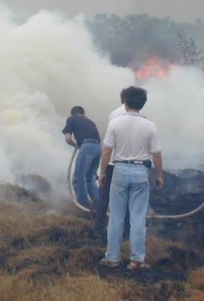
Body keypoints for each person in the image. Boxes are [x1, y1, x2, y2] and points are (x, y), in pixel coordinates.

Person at [98, 86, 164, 270]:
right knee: (137, 218)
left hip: (119, 170)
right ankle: (136, 260)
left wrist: (102, 172)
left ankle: (112, 258)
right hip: (140, 172)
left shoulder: (115, 124)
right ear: (142, 104)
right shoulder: (150, 125)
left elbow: (106, 151)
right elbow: (156, 154)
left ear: (125, 103)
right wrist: (159, 175)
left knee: (116, 217)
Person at [93, 89, 127, 237]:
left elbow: (108, 148)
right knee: (126, 198)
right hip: (130, 165)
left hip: (113, 162)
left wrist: (102, 171)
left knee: (105, 196)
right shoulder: (143, 117)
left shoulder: (114, 115)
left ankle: (99, 229)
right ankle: (125, 232)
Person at [62, 106, 102, 209]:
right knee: (90, 177)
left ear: (73, 114)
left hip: (86, 147)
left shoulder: (72, 119)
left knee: (79, 178)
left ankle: (83, 205)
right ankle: (100, 204)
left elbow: (67, 138)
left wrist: (75, 145)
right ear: (83, 113)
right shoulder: (90, 121)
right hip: (98, 148)